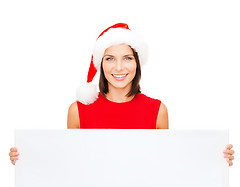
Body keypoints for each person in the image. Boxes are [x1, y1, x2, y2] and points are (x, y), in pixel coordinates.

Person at [9, 23, 234, 166]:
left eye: (127, 58)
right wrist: (29, 157)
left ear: (137, 62)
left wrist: (213, 157)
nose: (119, 68)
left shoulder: (157, 111)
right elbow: (69, 164)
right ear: (100, 64)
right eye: (110, 59)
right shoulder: (78, 111)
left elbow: (168, 163)